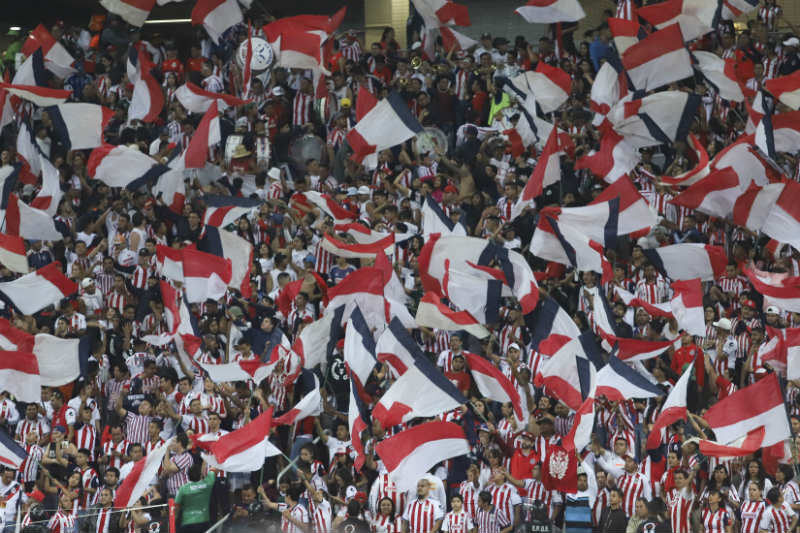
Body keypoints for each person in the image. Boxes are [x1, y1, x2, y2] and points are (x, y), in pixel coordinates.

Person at [174, 468, 216, 533]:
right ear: (200, 475)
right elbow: (215, 469)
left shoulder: (183, 489)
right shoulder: (208, 484)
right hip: (203, 522)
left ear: (188, 476)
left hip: (187, 523)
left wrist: (175, 520)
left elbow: (176, 506)